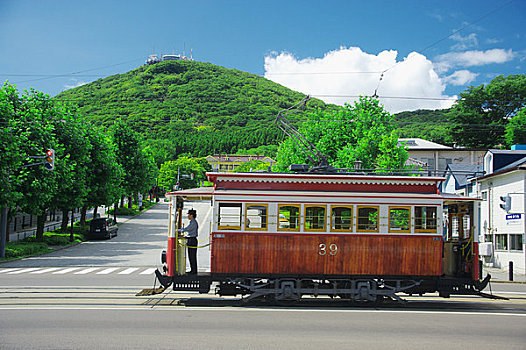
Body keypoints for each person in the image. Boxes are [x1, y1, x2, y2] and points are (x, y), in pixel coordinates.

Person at [178, 209, 198, 274]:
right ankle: (193, 270)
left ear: (191, 215)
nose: (188, 216)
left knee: (192, 256)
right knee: (190, 256)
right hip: (191, 239)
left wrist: (179, 230)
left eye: (188, 215)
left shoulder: (193, 222)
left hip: (192, 240)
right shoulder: (192, 222)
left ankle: (194, 270)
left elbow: (187, 229)